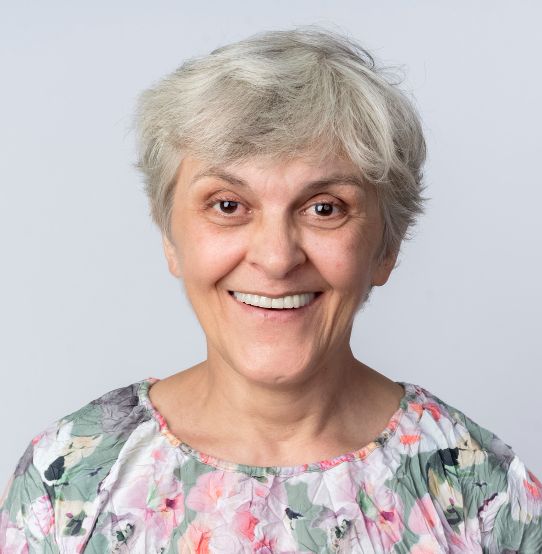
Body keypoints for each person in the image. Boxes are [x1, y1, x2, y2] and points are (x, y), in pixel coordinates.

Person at [1, 26, 540, 553]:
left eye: (324, 208)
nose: (277, 258)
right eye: (228, 205)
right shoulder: (70, 475)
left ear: (387, 246)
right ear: (170, 237)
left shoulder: (481, 492)